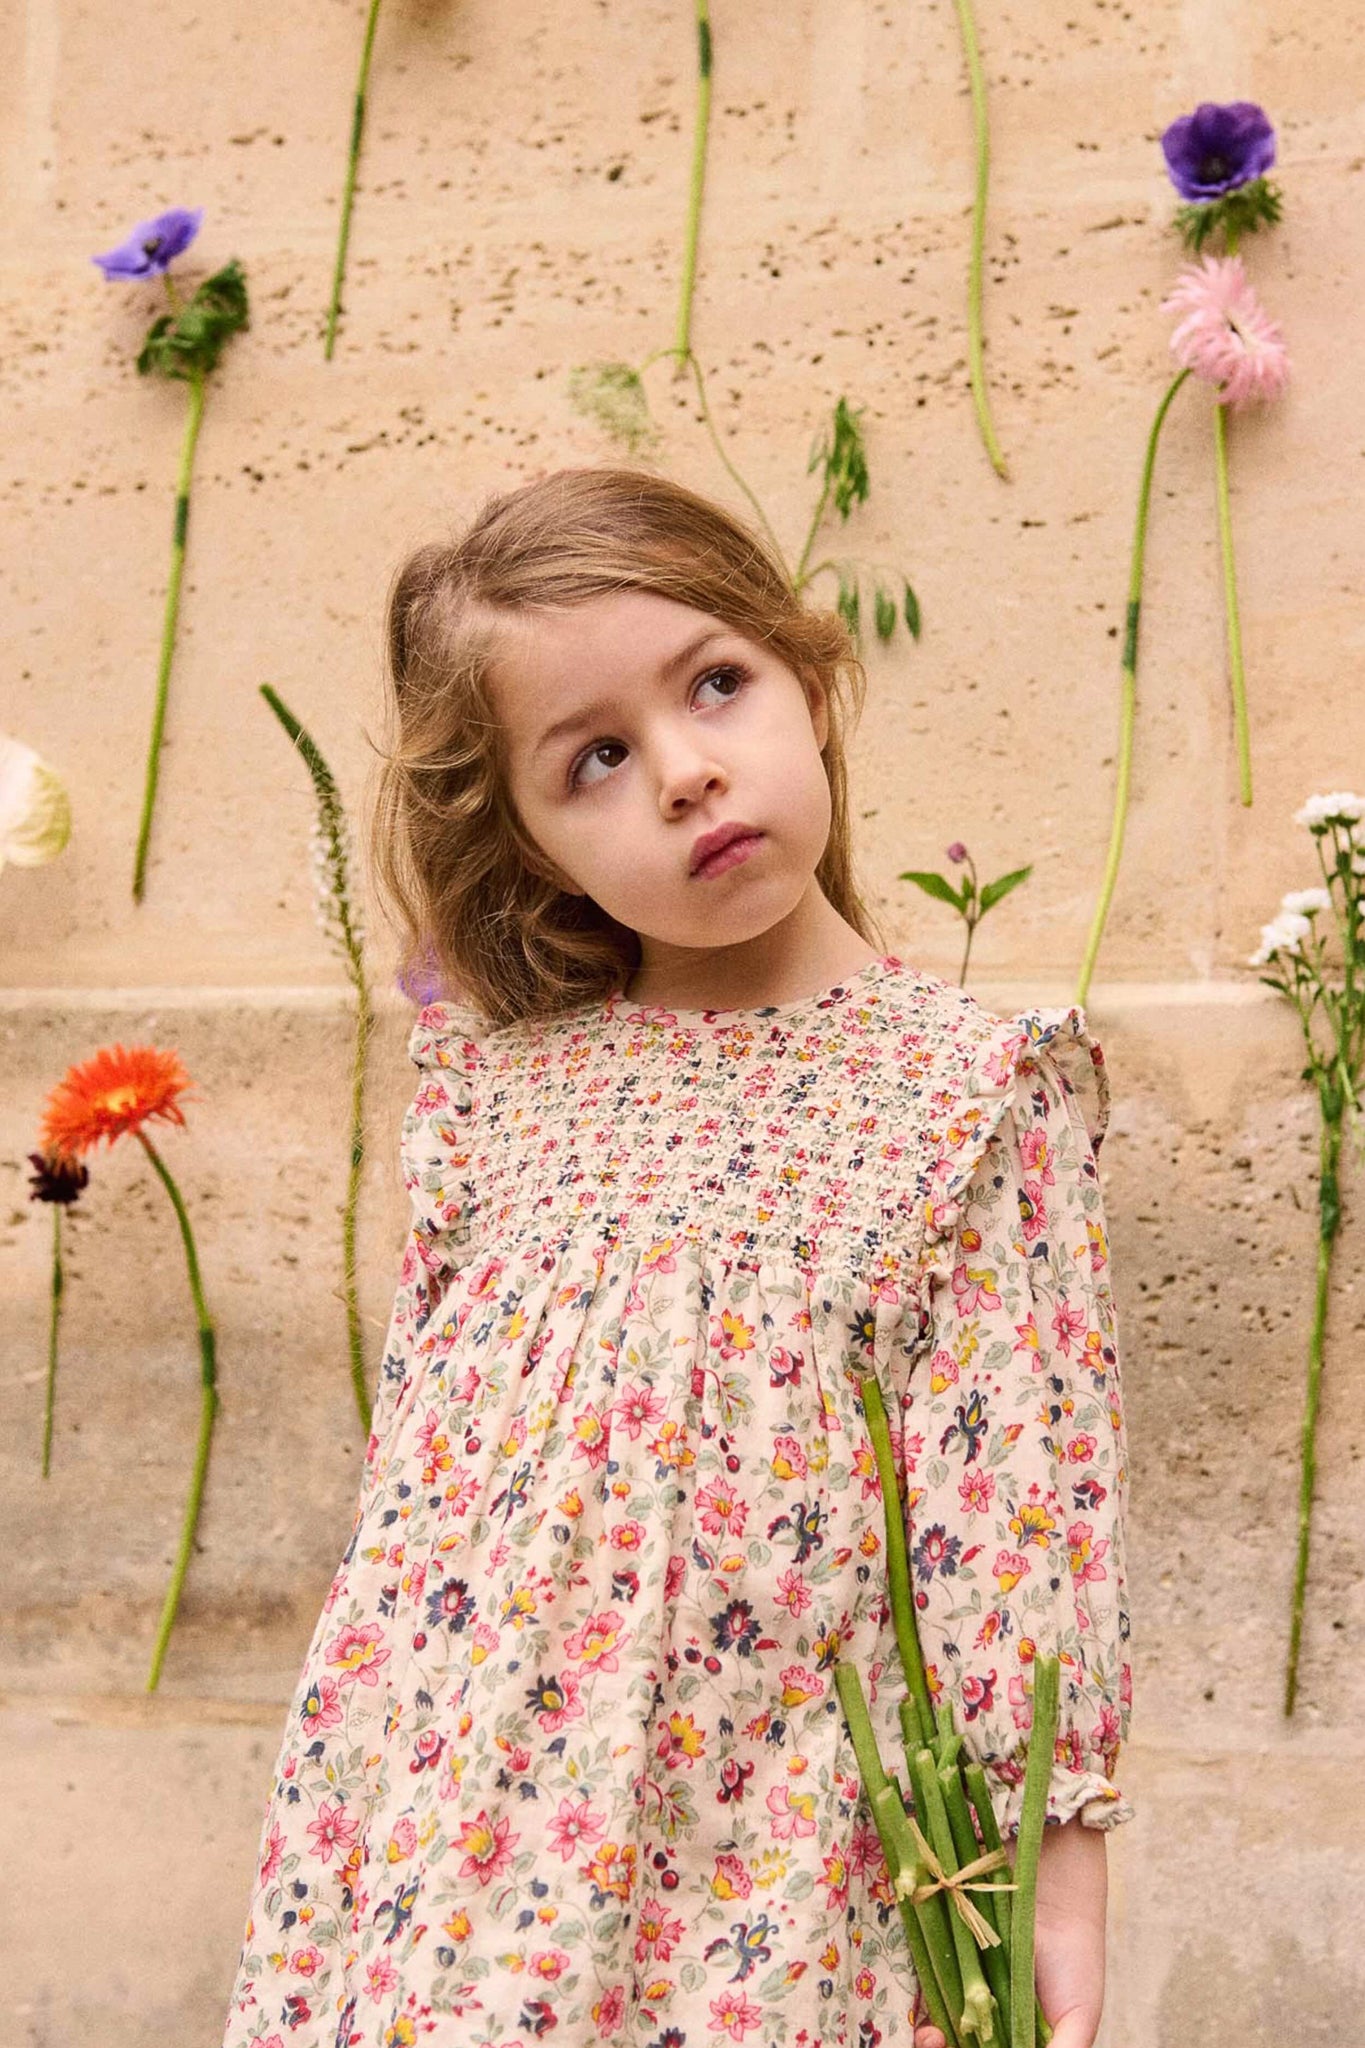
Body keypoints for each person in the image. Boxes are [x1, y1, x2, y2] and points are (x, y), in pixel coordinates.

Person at [223, 466, 1131, 2048]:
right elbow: (417, 1505)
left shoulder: (965, 1093)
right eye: (593, 758)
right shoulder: (491, 1099)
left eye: (715, 684)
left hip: (776, 1845)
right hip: (459, 1838)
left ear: (811, 685)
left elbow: (1016, 1515)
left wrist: (1051, 1866)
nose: (686, 772)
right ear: (530, 843)